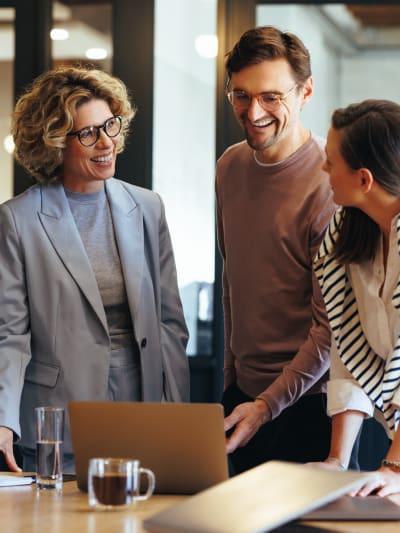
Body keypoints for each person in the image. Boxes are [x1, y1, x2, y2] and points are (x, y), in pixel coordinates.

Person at [0, 65, 190, 473]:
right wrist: (3, 417)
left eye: (111, 125)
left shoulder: (147, 207)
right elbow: (10, 333)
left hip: (140, 414)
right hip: (59, 417)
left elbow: (170, 324)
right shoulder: (18, 219)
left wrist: (178, 415)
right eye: (88, 133)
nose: (106, 142)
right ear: (54, 143)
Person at [216, 25, 337, 475]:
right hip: (241, 400)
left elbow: (330, 329)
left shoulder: (330, 182)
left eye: (271, 97)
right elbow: (233, 283)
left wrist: (267, 405)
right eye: (241, 96)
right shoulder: (229, 167)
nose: (254, 112)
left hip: (310, 407)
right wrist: (233, 385)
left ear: (305, 92)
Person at [312, 99, 400, 497]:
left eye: (331, 162)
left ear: (364, 180)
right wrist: (337, 462)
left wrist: (394, 467)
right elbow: (349, 350)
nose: (324, 170)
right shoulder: (349, 234)